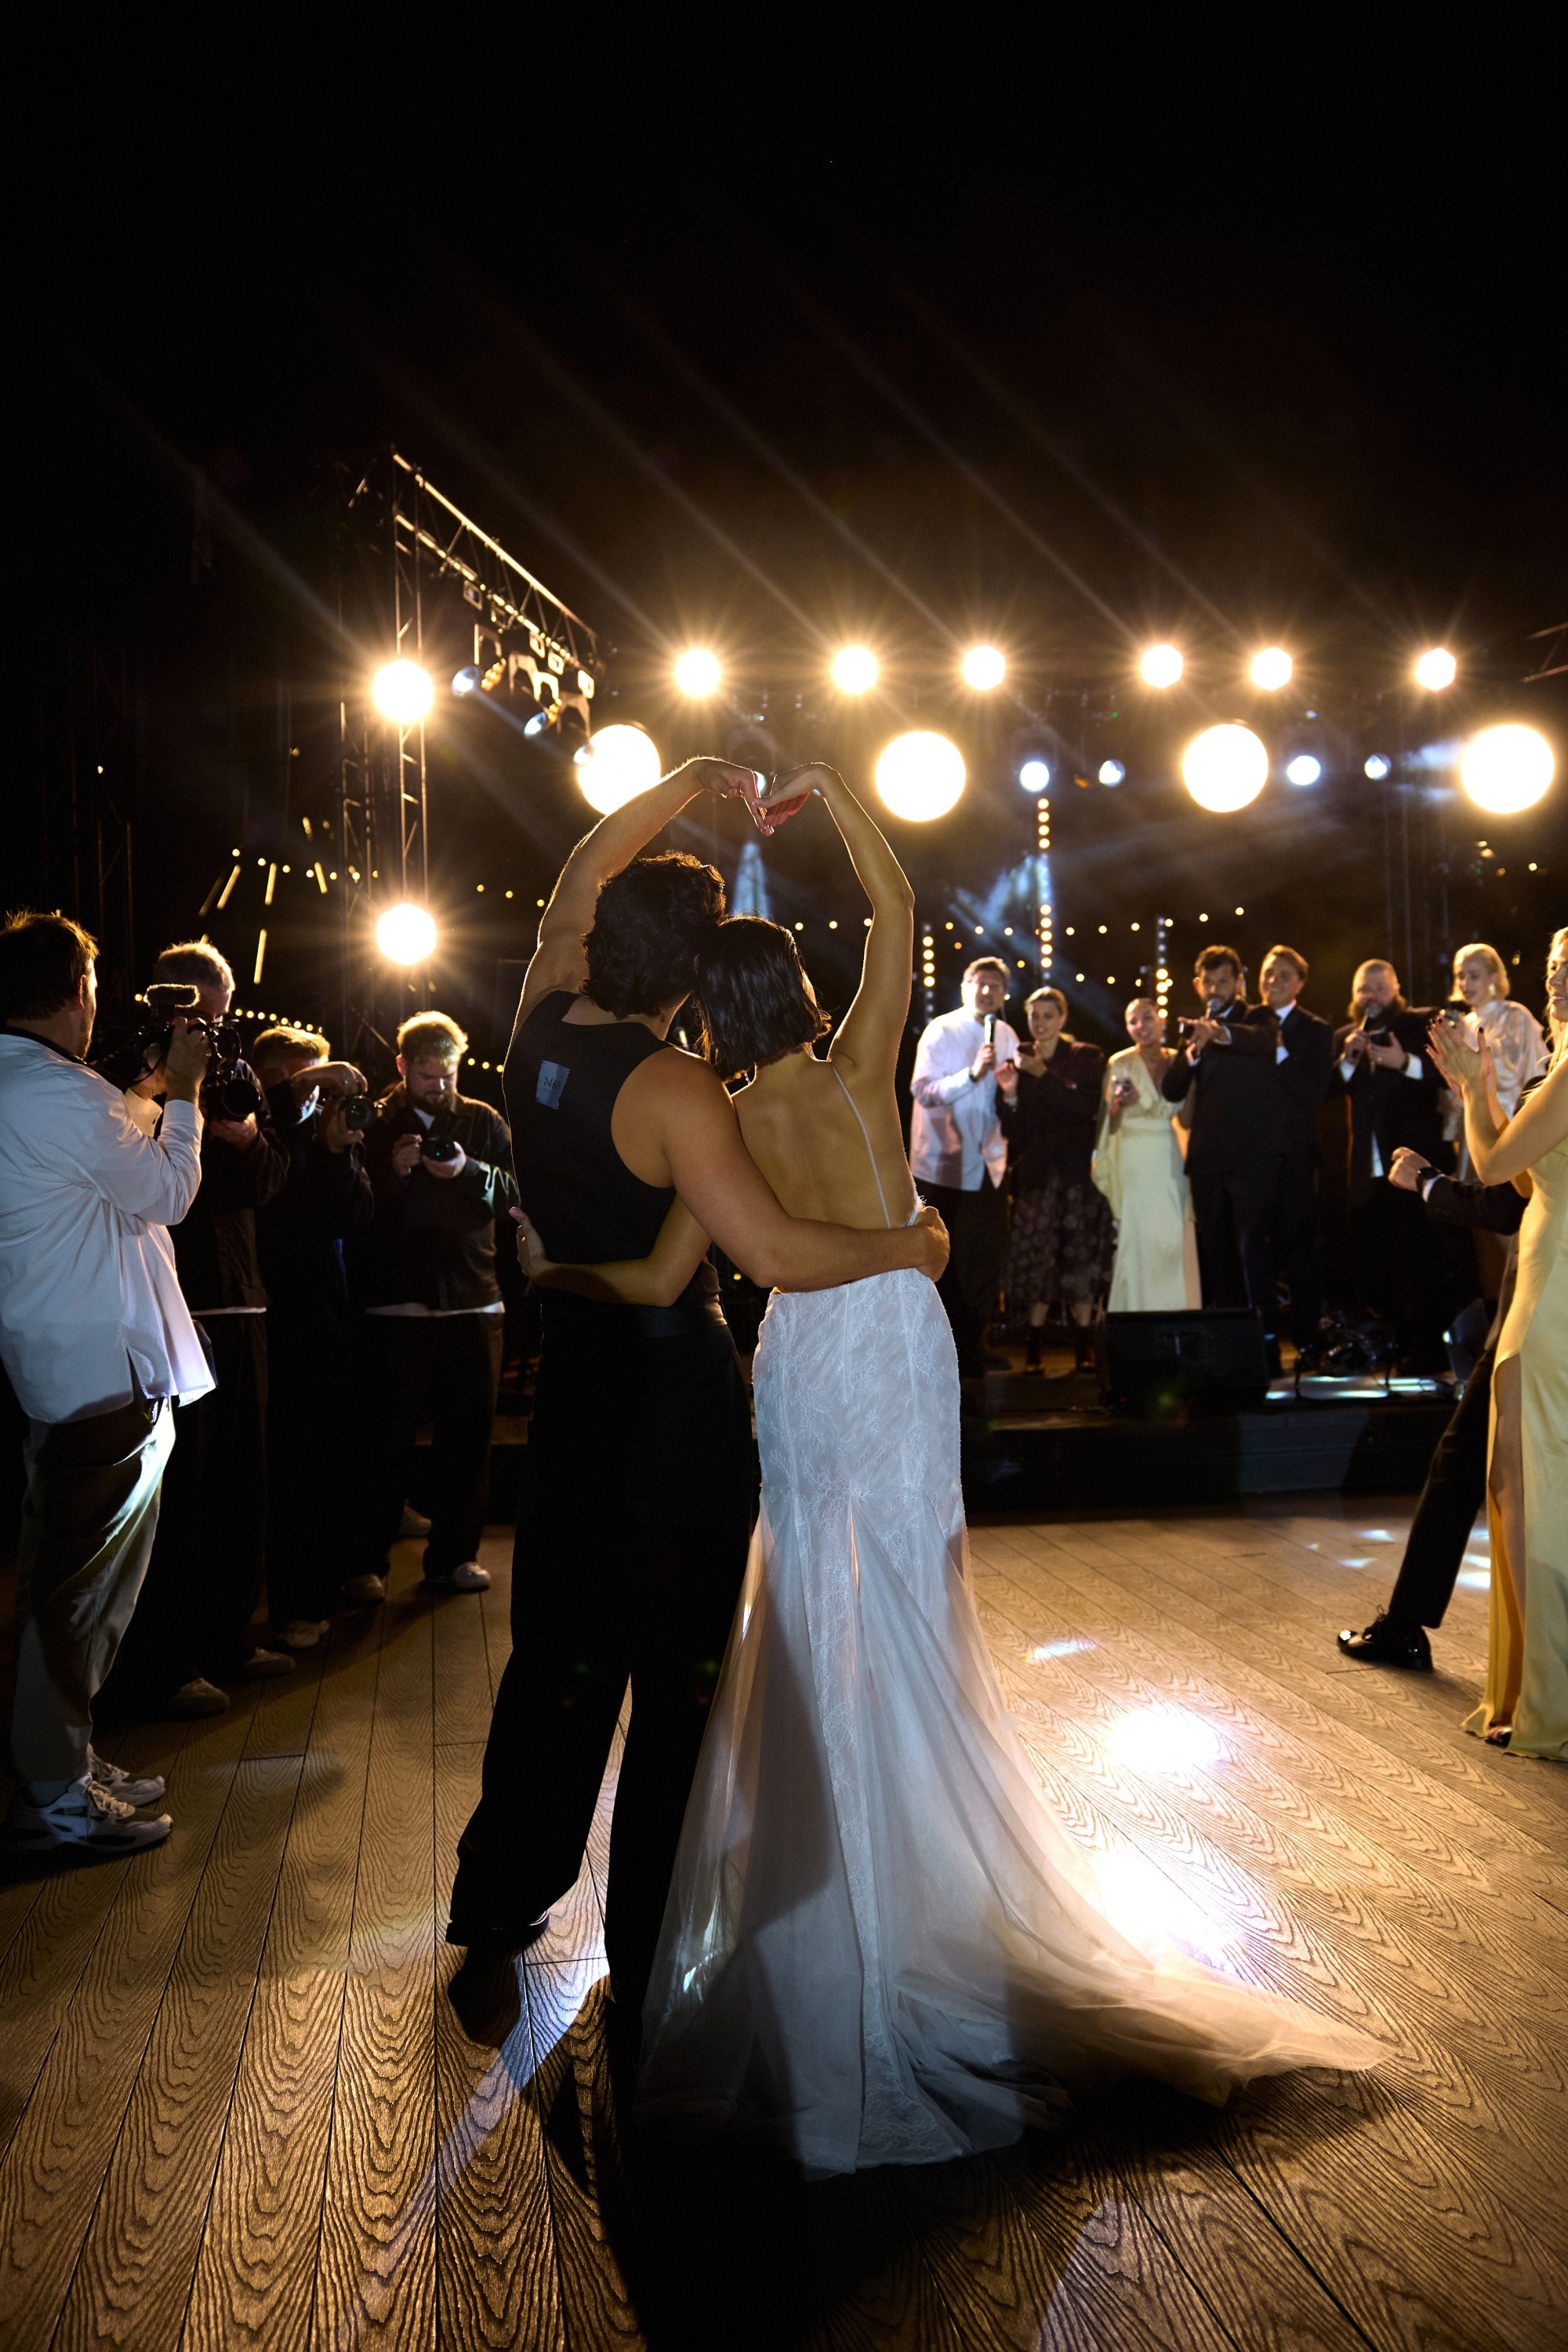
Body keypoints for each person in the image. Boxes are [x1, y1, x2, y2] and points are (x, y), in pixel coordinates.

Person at [524, 766, 1377, 2174]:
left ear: (707, 1012)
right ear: (798, 991)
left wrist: (556, 1269)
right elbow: (898, 900)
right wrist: (830, 794)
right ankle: (915, 1865)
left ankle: (833, 1879)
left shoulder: (712, 1116)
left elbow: (680, 1269)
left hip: (800, 1351)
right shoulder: (860, 1063)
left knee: (810, 1591)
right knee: (915, 1592)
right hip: (893, 1338)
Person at [447, 756, 949, 2031]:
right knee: (678, 1685)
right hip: (672, 1409)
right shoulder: (679, 1089)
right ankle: (650, 1952)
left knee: (555, 1664)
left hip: (575, 1387)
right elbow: (763, 1254)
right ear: (691, 976)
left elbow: (578, 872)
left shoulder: (538, 1016)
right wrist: (908, 1245)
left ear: (603, 938)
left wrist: (685, 781)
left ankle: (494, 1921)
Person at [0, 912, 211, 1853]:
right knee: (78, 1594)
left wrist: (146, 1094)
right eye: (92, 986)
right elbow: (166, 1192)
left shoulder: (31, 1085)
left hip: (64, 1360)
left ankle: (65, 1761)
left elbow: (100, 1168)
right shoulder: (55, 1090)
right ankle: (53, 1797)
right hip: (101, 1370)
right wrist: (188, 1098)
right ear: (73, 992)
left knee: (69, 1580)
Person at [105, 940, 293, 1719]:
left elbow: (274, 1182)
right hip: (169, 1303)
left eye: (218, 1017)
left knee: (242, 1484)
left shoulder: (234, 1074)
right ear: (164, 1003)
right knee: (178, 1496)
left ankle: (226, 1639)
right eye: (197, 1016)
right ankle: (165, 1661)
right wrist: (175, 1103)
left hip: (242, 1300)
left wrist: (247, 1138)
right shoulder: (130, 1073)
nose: (208, 1032)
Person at [1428, 931, 1567, 1759]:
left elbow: (1489, 1167)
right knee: (1521, 1487)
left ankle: (1547, 1696)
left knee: (1528, 1493)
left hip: (1552, 1300)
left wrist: (1474, 1084)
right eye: (1553, 968)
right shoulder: (1557, 1072)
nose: (1558, 981)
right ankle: (1533, 1688)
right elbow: (1522, 1176)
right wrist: (1482, 1090)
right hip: (1545, 1286)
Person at [1337, 1145, 1526, 1671]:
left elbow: (1508, 1201)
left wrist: (1425, 1181)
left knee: (1460, 1461)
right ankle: (1405, 1622)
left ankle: (1404, 1627)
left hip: (1542, 1311)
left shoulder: (1552, 1098)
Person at [352, 1012, 517, 1601]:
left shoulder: (483, 1121)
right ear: (402, 1067)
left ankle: (455, 1558)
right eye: (427, 1076)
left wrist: (468, 1170)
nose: (440, 1086)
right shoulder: (374, 1122)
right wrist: (390, 1172)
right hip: (395, 1303)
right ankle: (365, 1563)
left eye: (448, 1075)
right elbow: (347, 1207)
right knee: (381, 1443)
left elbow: (516, 1194)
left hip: (474, 1300)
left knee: (469, 1442)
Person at [249, 1025, 374, 1648]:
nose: (310, 1099)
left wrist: (335, 1152)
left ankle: (322, 1587)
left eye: (317, 1087)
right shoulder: (257, 1134)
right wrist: (301, 1096)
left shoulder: (324, 1140)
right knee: (285, 1470)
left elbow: (354, 1218)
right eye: (301, 1084)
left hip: (326, 1316)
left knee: (325, 1459)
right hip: (271, 1318)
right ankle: (290, 1603)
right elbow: (278, 1210)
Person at [1333, 957, 1451, 1372]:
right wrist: (1348, 1060)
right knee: (1374, 1266)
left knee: (1423, 1261)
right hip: (1367, 1172)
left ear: (1397, 989)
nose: (1372, 996)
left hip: (1414, 1168)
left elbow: (1450, 1075)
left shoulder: (1418, 1024)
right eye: (1364, 989)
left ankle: (1430, 1351)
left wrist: (1404, 1063)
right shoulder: (1345, 1037)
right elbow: (1324, 1090)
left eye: (1380, 988)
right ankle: (1389, 1345)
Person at [1159, 946, 1281, 1340]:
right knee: (1216, 1253)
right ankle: (1231, 1343)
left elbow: (1265, 1041)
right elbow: (1172, 1089)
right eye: (1208, 982)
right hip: (1207, 1159)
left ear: (1239, 982)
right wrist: (1193, 1052)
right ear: (1198, 985)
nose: (1215, 989)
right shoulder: (1196, 1030)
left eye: (1223, 981)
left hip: (1249, 1157)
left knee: (1252, 1251)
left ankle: (1264, 1343)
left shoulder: (1257, 1016)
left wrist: (1221, 1033)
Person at [909, 956, 1019, 1376]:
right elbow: (922, 1089)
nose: (988, 991)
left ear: (1004, 994)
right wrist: (971, 1075)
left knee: (986, 1255)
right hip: (946, 1164)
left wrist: (1012, 1092)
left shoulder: (1006, 1034)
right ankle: (947, 1350)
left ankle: (977, 1341)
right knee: (948, 1258)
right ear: (965, 986)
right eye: (981, 983)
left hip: (991, 1160)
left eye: (996, 985)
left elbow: (1010, 1096)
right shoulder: (942, 1029)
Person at [996, 987, 1112, 1370]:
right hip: (1038, 1176)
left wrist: (1042, 1076)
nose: (1040, 1023)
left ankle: (1084, 1349)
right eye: (1034, 1016)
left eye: (1048, 1016)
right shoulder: (1019, 1061)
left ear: (1062, 1018)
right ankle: (1033, 1350)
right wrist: (1011, 1096)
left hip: (1077, 1176)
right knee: (1040, 1262)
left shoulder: (1085, 1056)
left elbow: (1081, 1108)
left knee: (1080, 1259)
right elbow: (1015, 1129)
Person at [1441, 942, 1548, 1301]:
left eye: (1474, 975)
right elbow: (1456, 1093)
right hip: (1474, 1135)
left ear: (1493, 978)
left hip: (1510, 1132)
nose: (1465, 983)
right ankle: (1493, 1311)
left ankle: (1520, 1307)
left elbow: (1523, 1074)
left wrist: (1470, 1061)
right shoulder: (1467, 1023)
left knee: (1507, 1226)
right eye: (1460, 976)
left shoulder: (1514, 1015)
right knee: (1479, 1226)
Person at [1093, 997, 1199, 1312]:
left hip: (1170, 1155)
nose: (1141, 1026)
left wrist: (1193, 1085)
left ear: (1161, 1020)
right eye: (1133, 1021)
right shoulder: (1120, 1063)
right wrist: (1119, 1105)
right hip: (1134, 1160)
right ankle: (1136, 1313)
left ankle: (1177, 1312)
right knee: (1138, 1236)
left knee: (1173, 1235)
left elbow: (1186, 1121)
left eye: (1147, 1018)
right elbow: (1109, 1127)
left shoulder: (1180, 1061)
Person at [1259, 945, 1334, 1359]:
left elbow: (1314, 1091)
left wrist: (1280, 1050)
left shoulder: (1316, 1030)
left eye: (1284, 975)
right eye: (1269, 973)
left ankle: (1308, 1340)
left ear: (1300, 984)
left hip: (1296, 1155)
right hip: (1252, 1155)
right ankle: (1263, 1342)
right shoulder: (1247, 1022)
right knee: (1257, 1251)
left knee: (1301, 1248)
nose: (1274, 981)